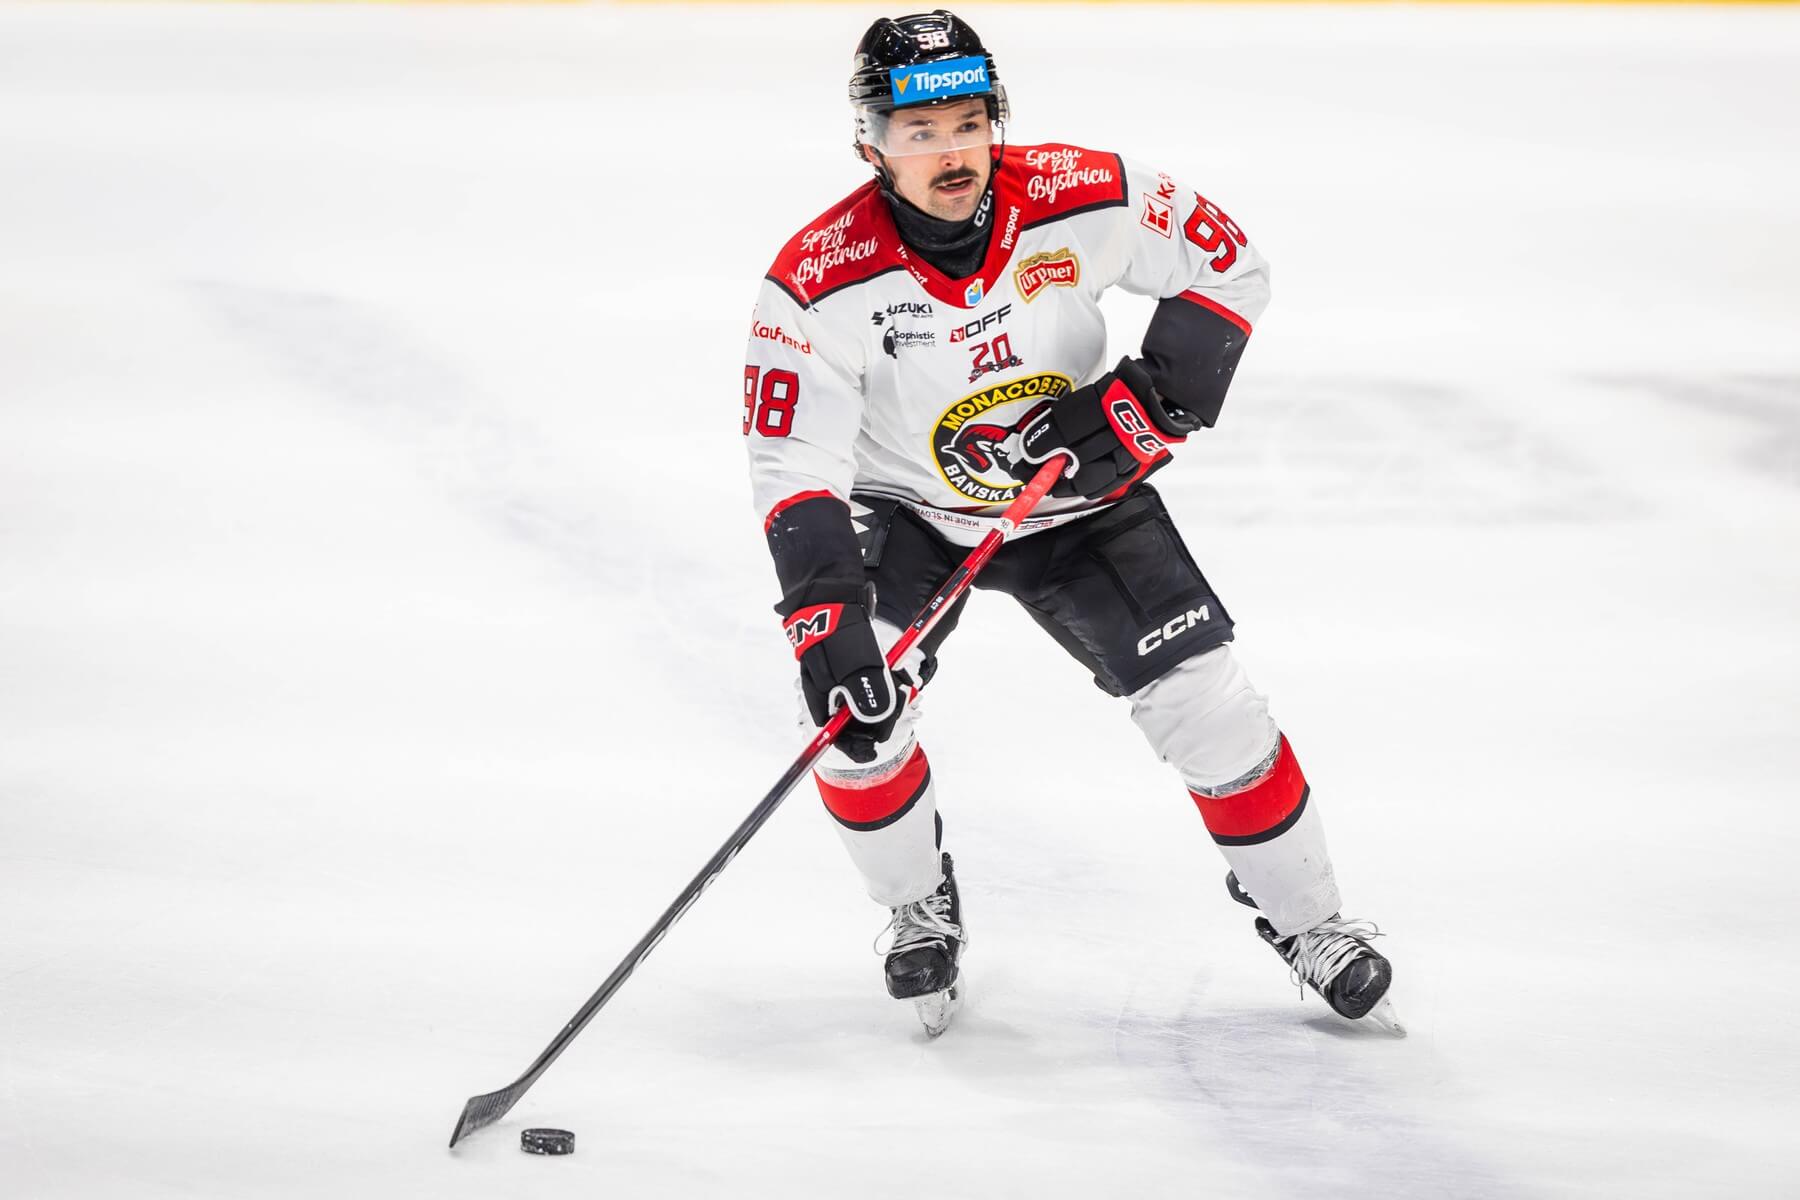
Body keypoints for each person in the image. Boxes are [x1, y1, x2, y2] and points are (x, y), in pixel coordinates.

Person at [741, 9, 1400, 1037]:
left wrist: (1144, 406)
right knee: (849, 718)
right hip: (907, 514)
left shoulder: (1080, 191)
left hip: (1079, 500)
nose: (952, 154)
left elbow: (1231, 265)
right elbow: (794, 460)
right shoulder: (817, 279)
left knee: (1209, 705)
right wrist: (824, 616)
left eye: (969, 124)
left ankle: (1310, 920)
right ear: (871, 144)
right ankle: (917, 905)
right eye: (920, 133)